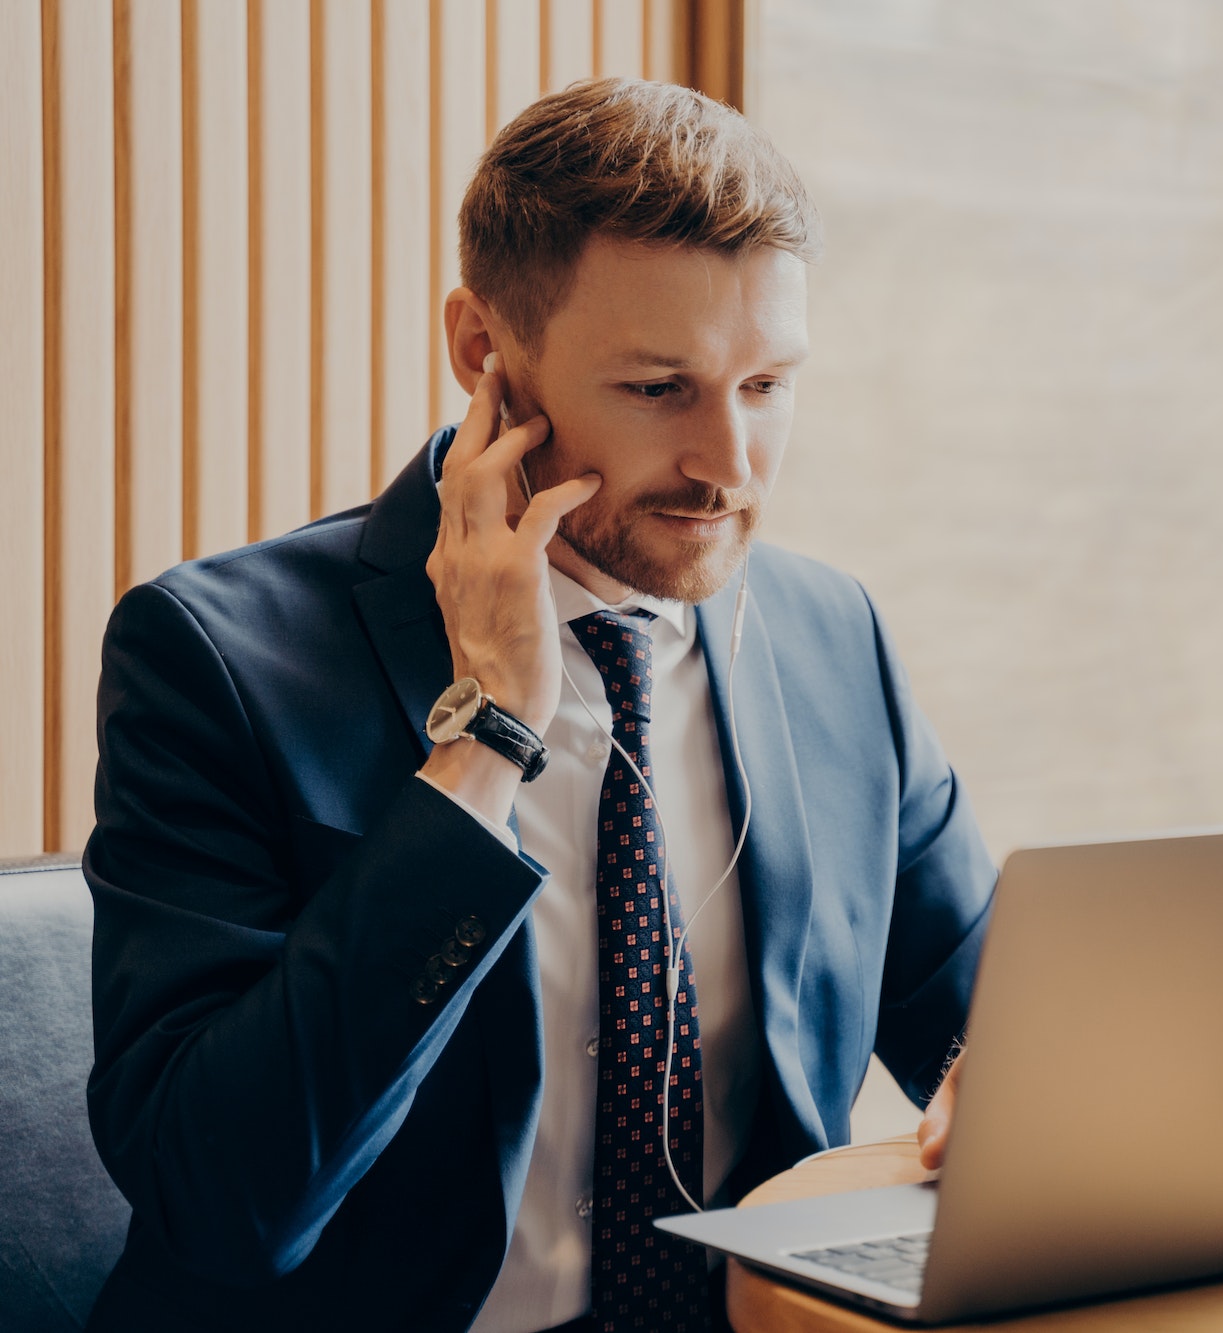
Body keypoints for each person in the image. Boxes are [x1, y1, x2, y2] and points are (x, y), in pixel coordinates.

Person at [83, 79, 992, 1333]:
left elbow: (986, 1016)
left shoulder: (831, 639)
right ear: (482, 348)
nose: (728, 468)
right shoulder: (217, 658)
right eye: (659, 388)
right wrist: (489, 743)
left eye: (767, 388)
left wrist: (1005, 1086)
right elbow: (224, 1198)